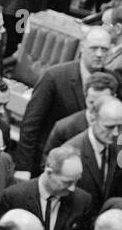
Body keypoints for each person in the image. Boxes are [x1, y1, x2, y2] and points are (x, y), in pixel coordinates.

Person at [15, 26, 114, 173]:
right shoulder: (54, 77)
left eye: (104, 49)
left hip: (89, 168)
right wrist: (24, 168)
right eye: (94, 48)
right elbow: (30, 125)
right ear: (82, 47)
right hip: (50, 163)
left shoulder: (112, 82)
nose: (99, 54)